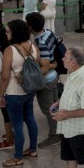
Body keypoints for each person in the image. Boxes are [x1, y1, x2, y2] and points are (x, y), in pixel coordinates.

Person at [0, 20, 41, 167]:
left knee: (17, 125)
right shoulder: (34, 47)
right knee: (30, 118)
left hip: (14, 93)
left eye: (8, 31)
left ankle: (17, 157)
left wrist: (1, 95)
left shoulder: (10, 50)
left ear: (15, 32)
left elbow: (5, 76)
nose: (6, 33)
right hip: (29, 90)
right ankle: (33, 149)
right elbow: (36, 67)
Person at [52, 47, 84, 168]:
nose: (62, 58)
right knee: (69, 156)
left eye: (65, 57)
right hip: (68, 127)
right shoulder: (72, 71)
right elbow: (69, 92)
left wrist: (65, 114)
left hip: (79, 130)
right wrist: (58, 103)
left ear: (73, 62)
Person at [25, 13, 61, 149]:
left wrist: (28, 76)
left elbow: (44, 68)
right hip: (54, 76)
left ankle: (54, 135)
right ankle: (60, 128)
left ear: (30, 27)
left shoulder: (41, 43)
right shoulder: (49, 33)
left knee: (49, 109)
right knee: (55, 105)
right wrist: (55, 65)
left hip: (46, 80)